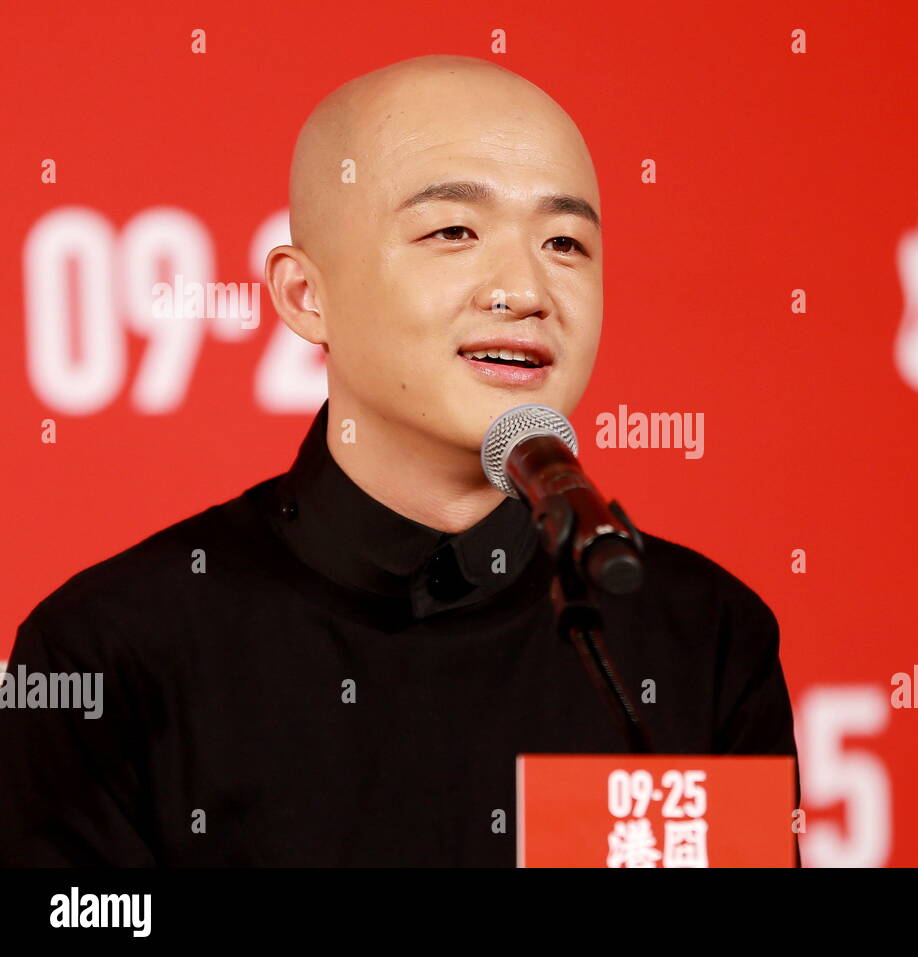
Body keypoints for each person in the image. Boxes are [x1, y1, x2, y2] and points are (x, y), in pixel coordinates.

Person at [0, 54, 799, 866]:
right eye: (454, 231)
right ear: (306, 295)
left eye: (565, 241)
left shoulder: (700, 635)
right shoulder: (104, 653)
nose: (524, 288)